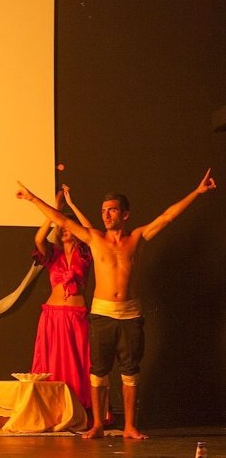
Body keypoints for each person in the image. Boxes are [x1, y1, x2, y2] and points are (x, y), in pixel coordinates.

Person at [16, 169, 216, 439]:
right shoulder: (94, 239)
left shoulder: (137, 238)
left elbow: (168, 216)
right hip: (102, 313)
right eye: (103, 211)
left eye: (112, 210)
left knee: (130, 372)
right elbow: (61, 219)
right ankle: (97, 424)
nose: (106, 215)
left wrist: (197, 192)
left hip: (130, 314)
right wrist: (32, 198)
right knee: (98, 373)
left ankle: (130, 426)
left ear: (125, 214)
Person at [31, 185, 93, 409]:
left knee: (79, 362)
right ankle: (53, 409)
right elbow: (39, 239)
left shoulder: (85, 253)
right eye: (61, 227)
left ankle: (80, 408)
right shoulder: (53, 254)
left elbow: (91, 232)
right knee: (53, 363)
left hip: (76, 315)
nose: (64, 230)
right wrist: (54, 211)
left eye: (68, 227)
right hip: (53, 315)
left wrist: (72, 206)